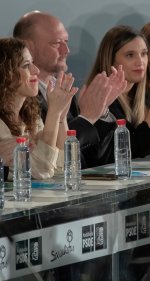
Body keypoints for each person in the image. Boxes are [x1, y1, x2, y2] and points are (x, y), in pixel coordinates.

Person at [13, 11, 126, 169]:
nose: (66, 50)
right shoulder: (19, 94)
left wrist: (101, 112)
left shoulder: (64, 88)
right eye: (56, 44)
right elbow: (50, 157)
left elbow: (95, 159)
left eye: (66, 42)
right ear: (28, 47)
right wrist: (87, 118)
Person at [85, 25, 150, 165]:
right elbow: (137, 151)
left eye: (144, 54)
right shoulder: (100, 100)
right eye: (130, 55)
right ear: (110, 61)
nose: (140, 62)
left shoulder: (144, 97)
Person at [0, 38, 77, 179]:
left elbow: (66, 165)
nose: (36, 70)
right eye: (26, 65)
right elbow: (42, 171)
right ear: (5, 74)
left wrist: (60, 117)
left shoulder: (30, 115)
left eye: (33, 63)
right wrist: (53, 112)